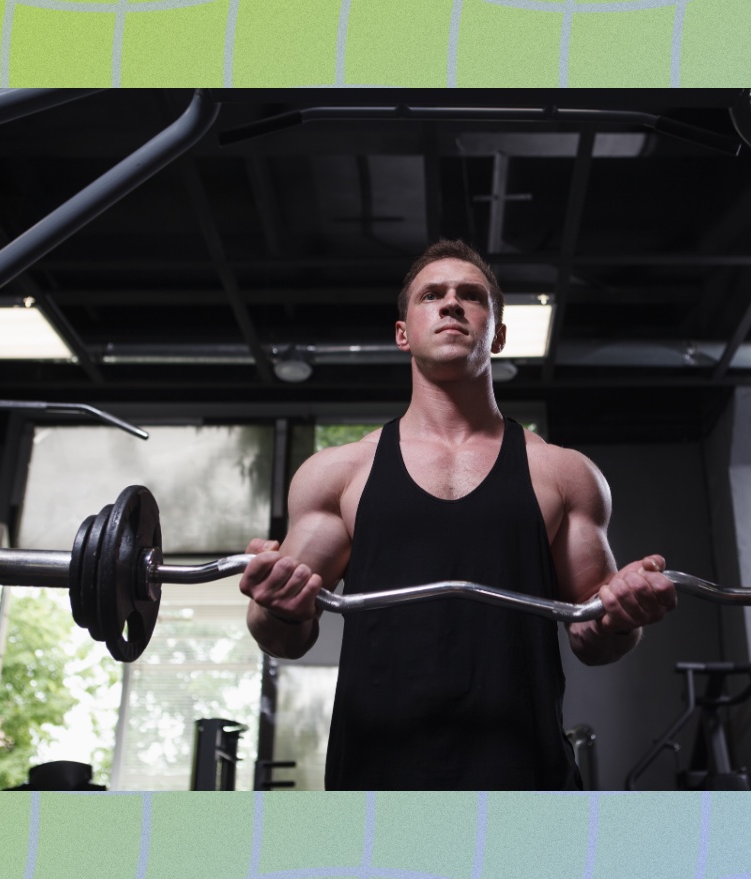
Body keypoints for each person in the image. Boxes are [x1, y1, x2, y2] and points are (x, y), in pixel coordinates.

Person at [240, 239, 677, 790]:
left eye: (471, 296)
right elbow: (283, 638)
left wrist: (622, 611)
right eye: (432, 295)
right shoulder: (338, 474)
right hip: (375, 778)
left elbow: (595, 641)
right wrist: (276, 603)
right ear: (404, 332)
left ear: (496, 334)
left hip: (524, 777)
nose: (451, 304)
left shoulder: (564, 474)